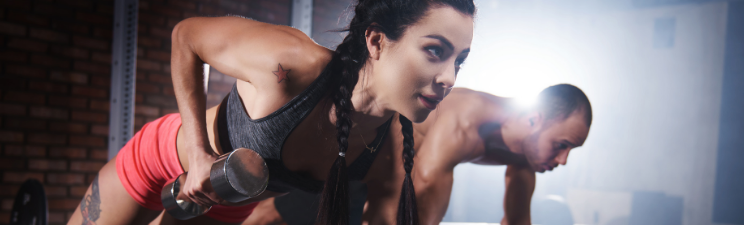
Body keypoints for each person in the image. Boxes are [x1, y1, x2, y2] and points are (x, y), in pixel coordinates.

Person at [66, 0, 476, 224]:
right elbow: (186, 36)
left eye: (460, 60)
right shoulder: (291, 65)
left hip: (225, 207)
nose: (449, 77)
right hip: (159, 157)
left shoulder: (386, 151)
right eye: (435, 51)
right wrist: (197, 156)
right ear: (376, 42)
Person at [244, 84, 593, 225]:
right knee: (271, 218)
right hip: (366, 157)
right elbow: (422, 189)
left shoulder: (525, 156)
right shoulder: (464, 123)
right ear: (534, 119)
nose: (562, 160)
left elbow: (518, 221)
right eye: (562, 145)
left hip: (394, 174)